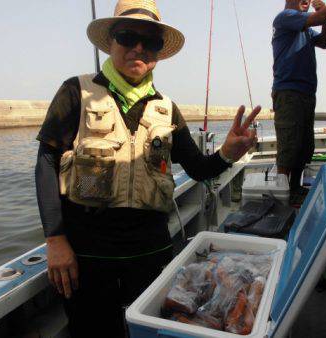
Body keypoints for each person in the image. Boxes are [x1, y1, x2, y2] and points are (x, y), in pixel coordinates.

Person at [35, 0, 260, 336]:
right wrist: (55, 239)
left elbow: (199, 169)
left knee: (151, 331)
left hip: (150, 253)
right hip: (87, 256)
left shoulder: (167, 109)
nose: (138, 48)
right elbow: (46, 162)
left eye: (151, 41)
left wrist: (227, 153)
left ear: (159, 52)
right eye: (127, 36)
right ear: (111, 41)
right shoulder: (75, 92)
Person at [271, 0, 326, 203]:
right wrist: (324, 13)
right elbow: (320, 18)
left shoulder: (305, 29)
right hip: (289, 92)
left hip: (306, 93)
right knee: (288, 146)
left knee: (304, 146)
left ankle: (295, 189)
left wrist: (323, 15)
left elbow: (325, 42)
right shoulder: (285, 17)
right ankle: (282, 197)